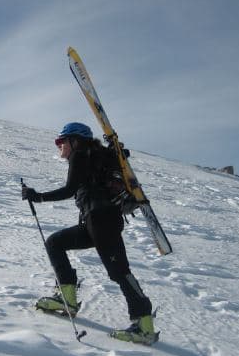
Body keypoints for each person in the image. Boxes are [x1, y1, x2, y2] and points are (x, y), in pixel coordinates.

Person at [22, 122, 157, 344]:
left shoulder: (81, 155)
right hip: (96, 222)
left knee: (119, 271)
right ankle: (67, 298)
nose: (59, 146)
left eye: (61, 141)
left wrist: (38, 196)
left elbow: (69, 189)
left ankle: (144, 326)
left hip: (101, 221)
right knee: (55, 243)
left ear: (74, 140)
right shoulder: (99, 156)